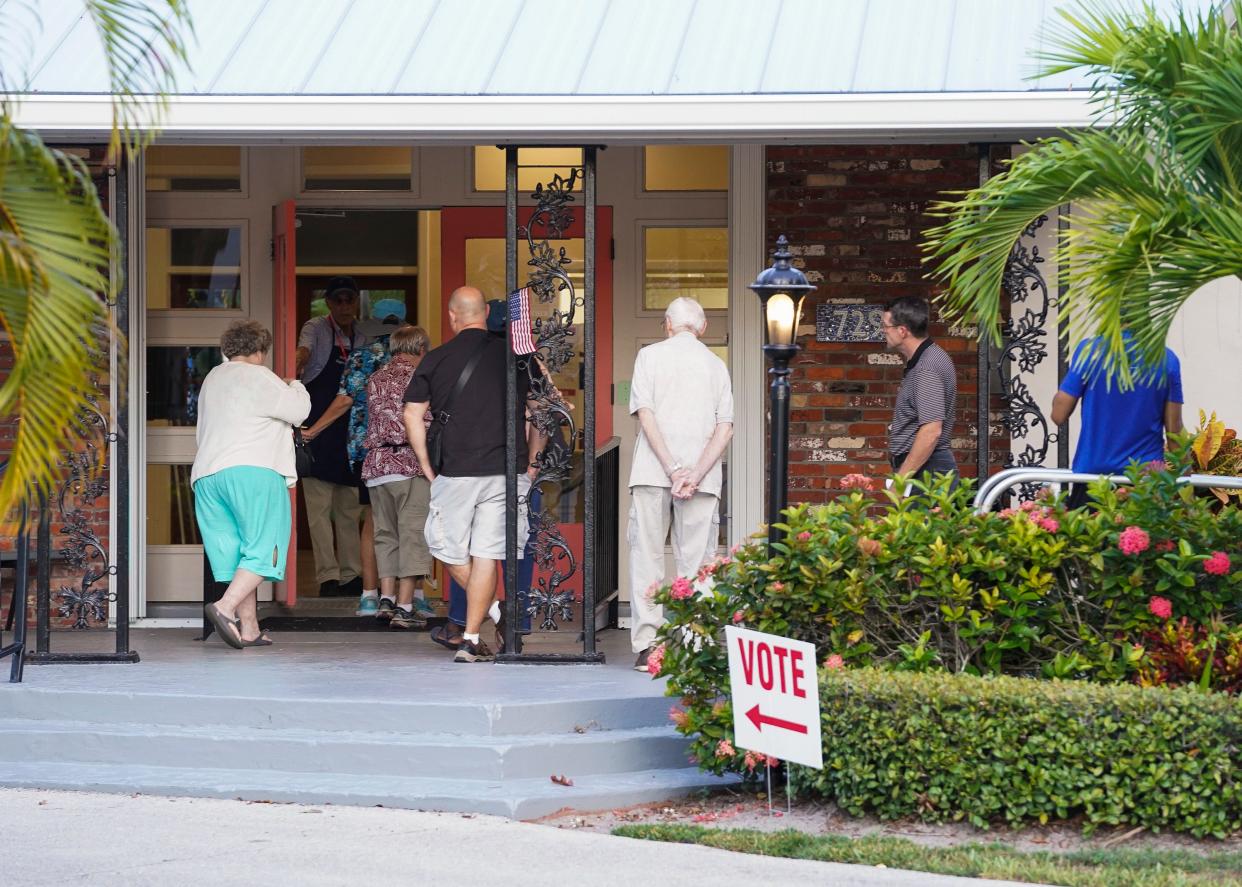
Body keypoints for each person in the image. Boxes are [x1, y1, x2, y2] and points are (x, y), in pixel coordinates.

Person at [404, 286, 541, 663]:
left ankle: (476, 631)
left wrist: (426, 466)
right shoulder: (516, 356)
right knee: (486, 554)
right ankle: (483, 626)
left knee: (443, 545)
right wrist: (532, 462)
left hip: (456, 471)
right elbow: (539, 412)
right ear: (484, 313)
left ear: (452, 315)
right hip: (506, 471)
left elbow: (412, 416)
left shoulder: (435, 359)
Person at [627, 296, 733, 672]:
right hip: (702, 480)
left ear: (668, 324)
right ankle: (694, 642)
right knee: (699, 562)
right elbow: (725, 428)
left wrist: (673, 469)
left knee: (648, 557)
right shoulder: (716, 365)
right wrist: (696, 471)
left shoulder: (649, 356)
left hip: (653, 473)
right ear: (702, 328)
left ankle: (649, 647)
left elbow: (645, 415)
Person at [194, 320, 310, 648]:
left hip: (208, 476)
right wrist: (296, 386)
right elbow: (299, 412)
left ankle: (250, 628)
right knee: (264, 547)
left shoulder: (212, 379)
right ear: (259, 351)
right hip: (253, 471)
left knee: (240, 555)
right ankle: (224, 607)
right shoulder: (259, 376)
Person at [302, 297, 407, 616]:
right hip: (409, 450)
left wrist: (313, 431)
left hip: (368, 451)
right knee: (407, 524)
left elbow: (344, 401)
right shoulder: (415, 360)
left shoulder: (362, 357)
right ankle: (407, 595)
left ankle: (370, 593)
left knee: (374, 523)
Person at [359, 324, 437, 629]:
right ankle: (406, 607)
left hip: (377, 467)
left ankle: (386, 598)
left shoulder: (375, 377)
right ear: (420, 349)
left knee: (385, 534)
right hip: (409, 464)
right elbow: (425, 421)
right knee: (412, 535)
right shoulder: (420, 377)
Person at [296, 276, 368, 598]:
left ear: (356, 302)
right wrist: (291, 370)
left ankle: (352, 575)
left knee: (349, 511)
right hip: (317, 434)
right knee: (319, 512)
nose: (344, 306)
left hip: (351, 437)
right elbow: (302, 352)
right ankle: (327, 575)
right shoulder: (316, 327)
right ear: (328, 303)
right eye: (337, 300)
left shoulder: (364, 335)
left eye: (348, 299)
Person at [1051, 332, 1183, 509]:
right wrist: (1187, 486)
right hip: (1145, 484)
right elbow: (1175, 431)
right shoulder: (1167, 359)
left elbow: (1058, 415)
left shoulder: (1091, 351)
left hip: (1094, 482)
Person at [881, 296, 959, 488]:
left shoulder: (926, 367)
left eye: (885, 326)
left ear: (902, 331)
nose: (883, 331)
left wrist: (901, 480)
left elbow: (931, 431)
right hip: (926, 470)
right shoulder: (928, 358)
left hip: (927, 474)